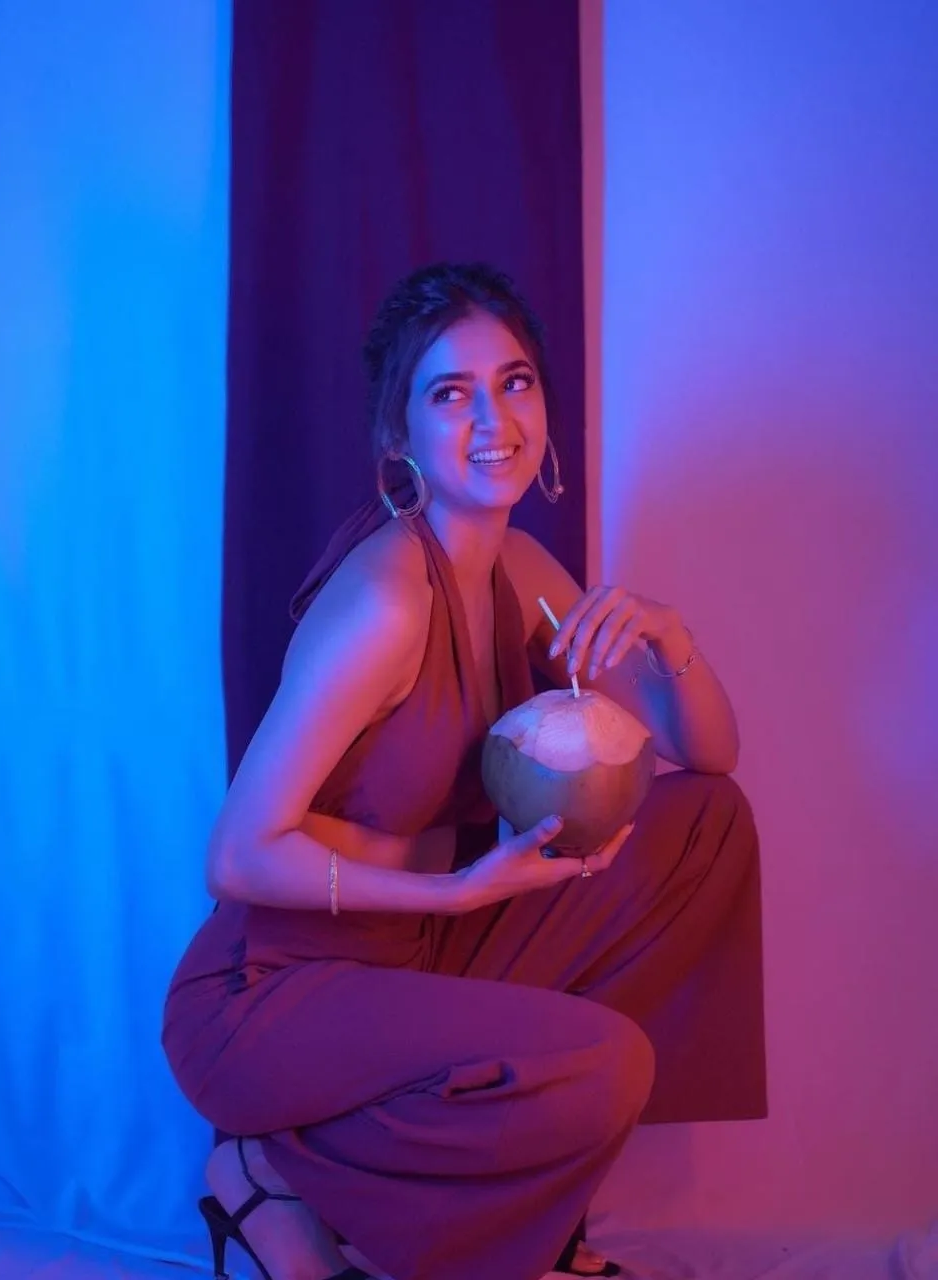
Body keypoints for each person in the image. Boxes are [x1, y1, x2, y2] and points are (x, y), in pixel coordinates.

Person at [162, 262, 765, 1280]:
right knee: (603, 1063)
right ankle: (272, 1166)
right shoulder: (387, 603)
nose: (495, 419)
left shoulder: (519, 569)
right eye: (451, 393)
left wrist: (669, 636)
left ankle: (356, 1179)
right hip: (273, 990)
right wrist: (454, 891)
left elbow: (707, 753)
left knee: (706, 826)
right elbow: (236, 856)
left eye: (514, 381)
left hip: (424, 949)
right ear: (398, 434)